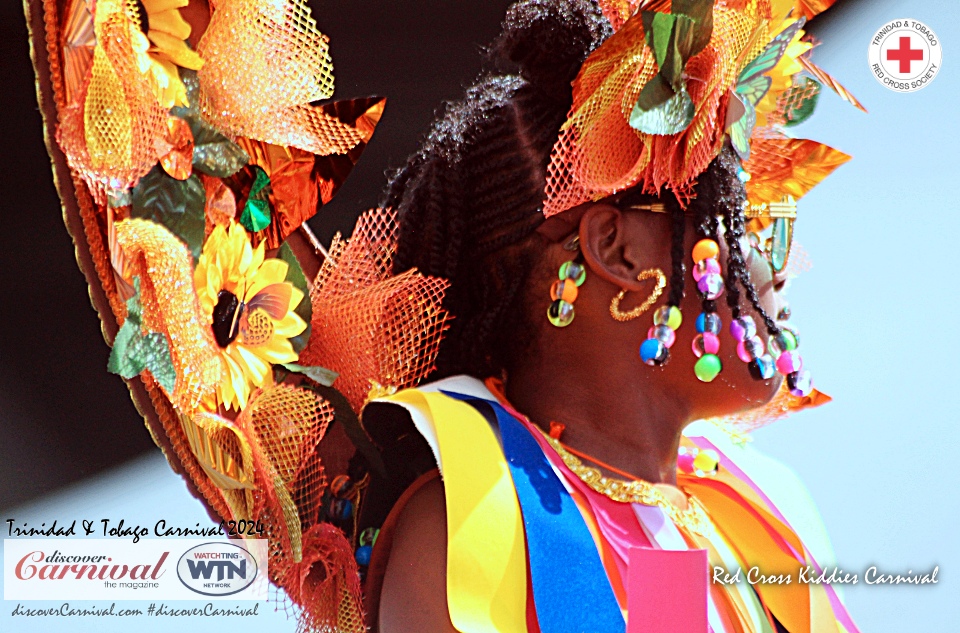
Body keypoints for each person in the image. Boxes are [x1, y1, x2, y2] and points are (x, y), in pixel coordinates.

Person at [357, 0, 862, 632]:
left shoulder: (722, 506)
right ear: (616, 251)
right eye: (736, 218)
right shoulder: (473, 525)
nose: (773, 265)